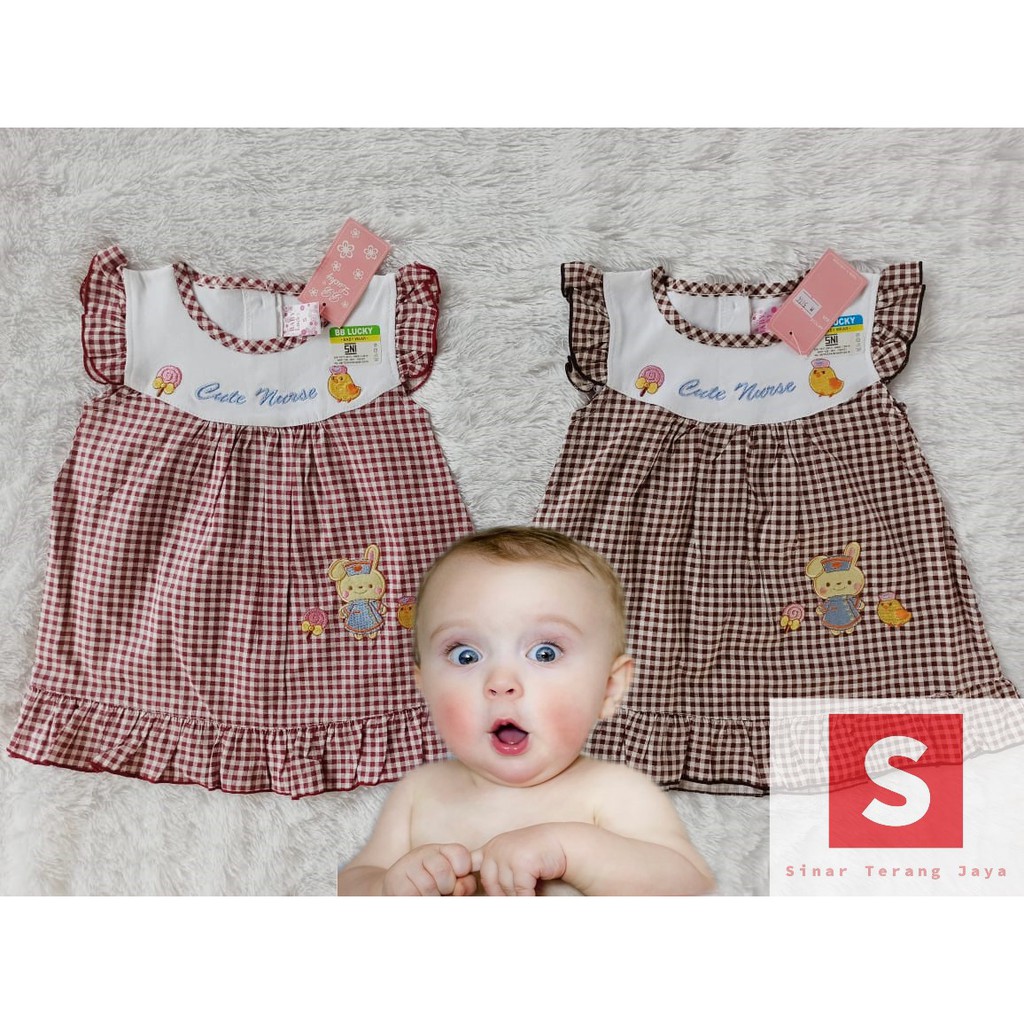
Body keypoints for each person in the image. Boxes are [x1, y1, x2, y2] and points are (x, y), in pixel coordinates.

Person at [337, 526, 714, 896]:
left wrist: (568, 850)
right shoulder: (419, 792)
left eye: (544, 653)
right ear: (426, 688)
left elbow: (688, 882)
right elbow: (352, 881)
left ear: (609, 688)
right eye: (465, 655)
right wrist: (387, 887)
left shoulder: (614, 791)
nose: (501, 682)